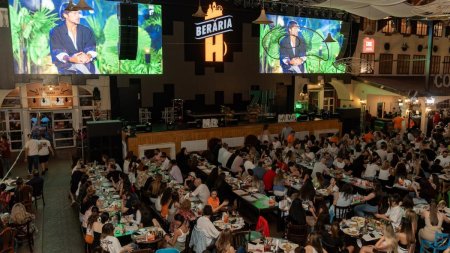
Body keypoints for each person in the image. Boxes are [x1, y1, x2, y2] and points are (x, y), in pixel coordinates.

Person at [49, 3, 98, 74]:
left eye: (79, 13)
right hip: (66, 67)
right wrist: (71, 59)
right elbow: (58, 51)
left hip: (86, 64)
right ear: (65, 15)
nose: (78, 16)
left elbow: (91, 48)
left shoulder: (86, 30)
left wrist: (88, 56)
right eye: (75, 13)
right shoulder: (56, 31)